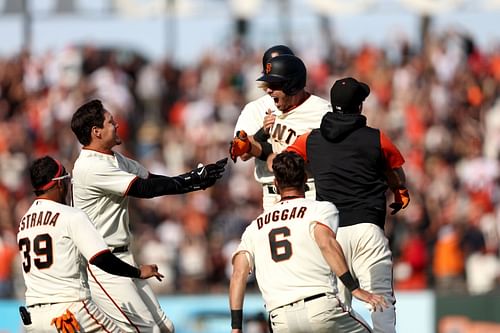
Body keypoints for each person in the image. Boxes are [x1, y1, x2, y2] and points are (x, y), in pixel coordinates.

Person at [70, 99, 227, 332]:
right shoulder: (90, 166)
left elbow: (151, 180)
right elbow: (144, 190)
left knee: (165, 327)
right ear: (96, 132)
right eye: (111, 122)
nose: (117, 125)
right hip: (103, 264)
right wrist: (191, 180)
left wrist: (194, 180)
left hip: (122, 257)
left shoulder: (113, 158)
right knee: (147, 330)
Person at [283, 77, 410, 333]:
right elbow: (396, 171)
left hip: (331, 235)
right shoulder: (376, 138)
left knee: (339, 311)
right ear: (360, 107)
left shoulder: (311, 140)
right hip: (367, 231)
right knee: (381, 302)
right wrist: (399, 191)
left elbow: (286, 159)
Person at [229, 151, 387, 333]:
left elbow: (239, 273)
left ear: (275, 183)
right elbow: (325, 243)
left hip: (280, 319)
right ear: (305, 178)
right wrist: (355, 289)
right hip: (321, 308)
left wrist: (236, 327)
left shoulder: (255, 226)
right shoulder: (320, 209)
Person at [17, 156, 164, 333]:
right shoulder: (70, 215)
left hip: (33, 318)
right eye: (66, 178)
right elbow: (102, 259)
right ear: (59, 183)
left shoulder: (24, 222)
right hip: (70, 312)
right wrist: (138, 272)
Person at [230, 52, 331, 210]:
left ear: (292, 84)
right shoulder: (268, 108)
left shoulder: (321, 111)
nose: (269, 90)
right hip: (273, 192)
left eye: (275, 84)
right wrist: (260, 135)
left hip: (310, 191)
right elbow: (243, 150)